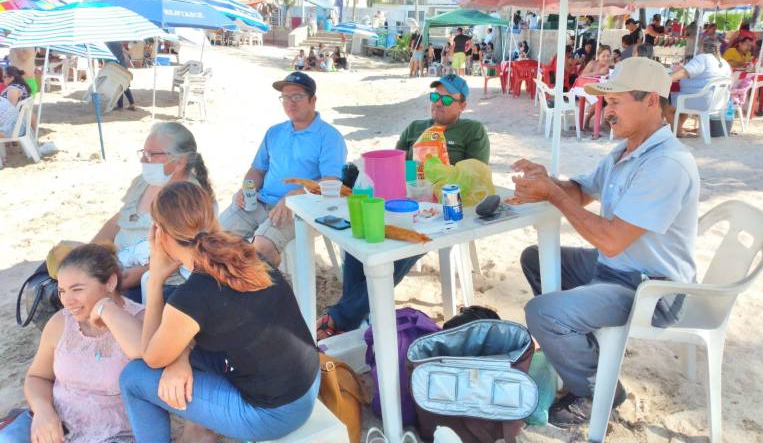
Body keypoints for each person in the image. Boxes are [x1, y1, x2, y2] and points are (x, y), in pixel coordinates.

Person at [515, 57, 699, 428]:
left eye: (616, 102)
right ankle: (581, 347)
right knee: (536, 258)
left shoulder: (666, 164)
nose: (607, 111)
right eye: (607, 102)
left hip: (653, 288)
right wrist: (546, 182)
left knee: (543, 313)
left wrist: (552, 194)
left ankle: (599, 390)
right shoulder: (626, 151)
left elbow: (611, 240)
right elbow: (581, 191)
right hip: (618, 270)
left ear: (651, 102)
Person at [119, 182, 320, 443]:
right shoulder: (247, 255)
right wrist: (179, 359)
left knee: (133, 379)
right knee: (175, 336)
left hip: (272, 414)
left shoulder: (192, 297)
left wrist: (155, 277)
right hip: (306, 383)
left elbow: (151, 357)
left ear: (161, 235)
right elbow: (219, 318)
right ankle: (201, 430)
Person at [317, 75, 490, 339]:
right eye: (434, 97)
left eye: (446, 99)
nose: (438, 103)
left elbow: (476, 176)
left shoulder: (471, 130)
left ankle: (342, 318)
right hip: (401, 203)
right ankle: (354, 314)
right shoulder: (414, 128)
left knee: (402, 248)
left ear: (462, 105)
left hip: (442, 212)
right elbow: (393, 166)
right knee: (359, 233)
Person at [0, 244, 144, 443]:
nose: (67, 301)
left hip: (115, 435)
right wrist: (43, 412)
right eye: (62, 291)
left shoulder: (140, 319)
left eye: (77, 289)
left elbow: (141, 351)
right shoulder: (61, 321)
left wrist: (105, 309)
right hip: (57, 425)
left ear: (110, 282)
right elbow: (37, 376)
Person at [219, 71, 347, 267]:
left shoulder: (329, 137)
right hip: (260, 201)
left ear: (313, 100)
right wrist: (247, 188)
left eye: (297, 96)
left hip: (299, 208)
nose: (290, 102)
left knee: (261, 248)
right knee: (214, 239)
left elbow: (332, 181)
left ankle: (268, 294)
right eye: (285, 97)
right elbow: (257, 170)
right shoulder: (275, 132)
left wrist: (296, 195)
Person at [91, 122, 213, 302]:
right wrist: (89, 252)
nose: (143, 160)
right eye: (143, 152)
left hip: (153, 282)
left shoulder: (188, 199)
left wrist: (113, 280)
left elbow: (172, 260)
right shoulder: (142, 182)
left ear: (179, 162)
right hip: (116, 265)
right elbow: (117, 221)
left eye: (151, 155)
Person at [667, 37, 732, 136]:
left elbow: (684, 72)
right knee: (680, 101)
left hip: (701, 100)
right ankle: (677, 128)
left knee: (666, 105)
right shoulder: (724, 63)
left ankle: (678, 132)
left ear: (702, 47)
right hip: (717, 102)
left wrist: (666, 79)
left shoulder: (703, 58)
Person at [0, 67, 32, 141]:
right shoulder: (21, 87)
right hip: (18, 126)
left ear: (11, 78)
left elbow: (10, 112)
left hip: (11, 129)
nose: (2, 79)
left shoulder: (13, 89)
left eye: (4, 77)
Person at [106, 42, 136, 110]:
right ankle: (130, 104)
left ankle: (120, 106)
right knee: (124, 85)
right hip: (122, 65)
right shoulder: (118, 43)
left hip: (116, 66)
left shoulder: (108, 43)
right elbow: (126, 53)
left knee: (119, 86)